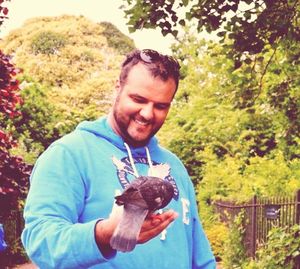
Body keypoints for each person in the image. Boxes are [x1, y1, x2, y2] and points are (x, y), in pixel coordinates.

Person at [21, 49, 216, 268]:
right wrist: (104, 234)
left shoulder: (174, 166)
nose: (148, 113)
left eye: (161, 106)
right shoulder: (69, 154)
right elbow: (41, 242)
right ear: (118, 88)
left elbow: (201, 257)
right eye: (138, 99)